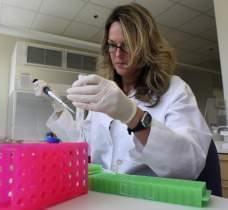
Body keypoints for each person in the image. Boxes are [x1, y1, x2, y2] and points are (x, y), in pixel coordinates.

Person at [33, 3, 211, 179]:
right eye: (112, 45)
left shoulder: (174, 89)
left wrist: (134, 116)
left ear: (146, 47)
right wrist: (57, 107)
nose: (118, 54)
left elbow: (189, 165)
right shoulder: (104, 92)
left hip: (148, 199)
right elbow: (83, 144)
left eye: (127, 45)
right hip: (104, 195)